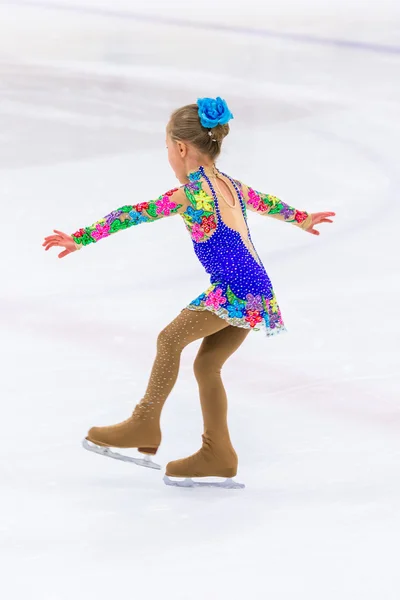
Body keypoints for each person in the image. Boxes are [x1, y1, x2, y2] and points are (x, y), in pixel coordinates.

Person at [42, 97, 335, 488]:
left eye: (166, 147)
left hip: (235, 290)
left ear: (181, 148)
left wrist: (80, 238)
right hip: (257, 290)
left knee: (169, 340)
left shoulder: (193, 194)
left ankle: (144, 424)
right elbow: (267, 203)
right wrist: (302, 219)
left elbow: (132, 213)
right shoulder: (229, 184)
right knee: (206, 365)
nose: (168, 154)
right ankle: (219, 453)